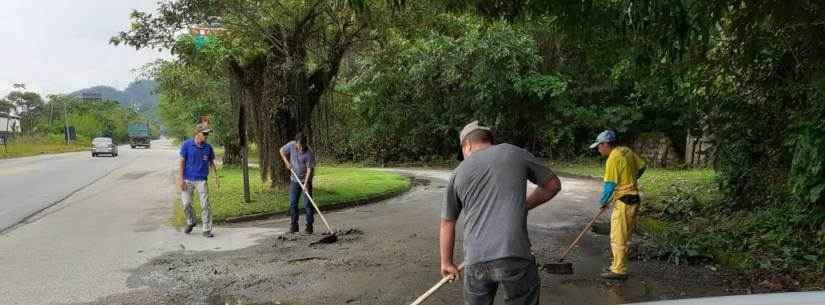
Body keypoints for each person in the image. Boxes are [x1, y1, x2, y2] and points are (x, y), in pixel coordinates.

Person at [440, 121, 562, 305]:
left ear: (467, 145)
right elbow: (553, 185)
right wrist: (524, 205)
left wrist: (447, 263)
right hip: (515, 255)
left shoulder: (457, 173)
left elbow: (447, 223)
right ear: (488, 140)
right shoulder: (514, 153)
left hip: (476, 259)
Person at [589, 130, 646, 280]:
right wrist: (631, 180)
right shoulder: (626, 151)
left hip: (624, 202)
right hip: (633, 199)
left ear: (606, 144)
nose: (598, 149)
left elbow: (609, 185)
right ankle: (617, 264)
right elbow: (642, 166)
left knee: (618, 237)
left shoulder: (613, 159)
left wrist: (603, 202)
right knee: (624, 235)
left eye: (599, 146)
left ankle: (619, 270)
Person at [178, 123, 219, 238]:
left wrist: (215, 177)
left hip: (201, 180)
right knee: (186, 204)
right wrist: (181, 179)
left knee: (205, 205)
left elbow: (211, 163)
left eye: (207, 134)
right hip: (187, 180)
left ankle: (206, 229)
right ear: (197, 133)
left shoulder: (208, 147)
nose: (206, 136)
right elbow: (181, 163)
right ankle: (191, 221)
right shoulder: (186, 145)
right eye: (204, 133)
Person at [279, 132, 317, 234]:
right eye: (299, 146)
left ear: (305, 144)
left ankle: (309, 226)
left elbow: (309, 170)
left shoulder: (309, 152)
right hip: (294, 180)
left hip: (306, 180)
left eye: (303, 146)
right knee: (293, 203)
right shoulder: (291, 145)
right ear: (296, 143)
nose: (301, 149)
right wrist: (286, 162)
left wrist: (305, 184)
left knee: (307, 204)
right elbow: (281, 151)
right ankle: (294, 225)